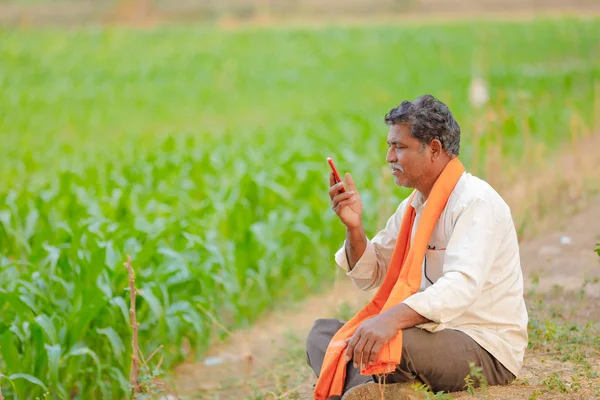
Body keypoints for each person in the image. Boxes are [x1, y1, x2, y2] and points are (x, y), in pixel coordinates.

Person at [306, 95, 528, 400]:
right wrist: (354, 227)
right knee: (323, 334)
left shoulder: (476, 202)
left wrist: (390, 320)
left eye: (400, 147)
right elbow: (372, 272)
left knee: (392, 342)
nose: (389, 157)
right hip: (424, 336)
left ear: (434, 149)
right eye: (390, 146)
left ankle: (365, 391)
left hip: (482, 343)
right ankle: (378, 391)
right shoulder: (413, 206)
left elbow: (459, 287)